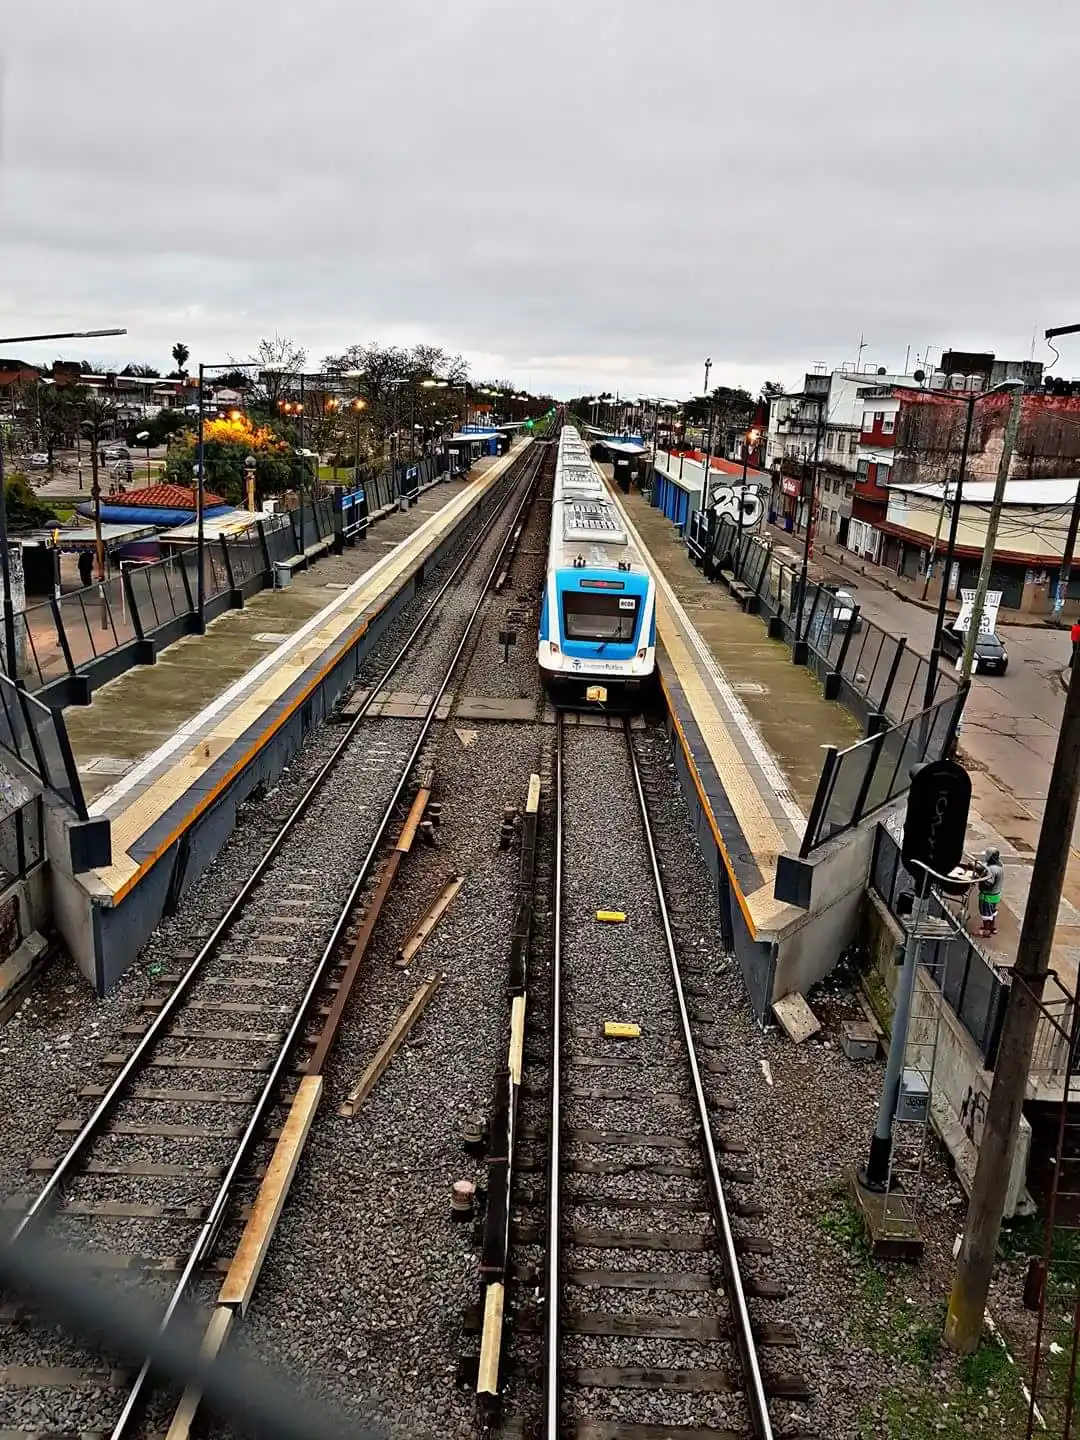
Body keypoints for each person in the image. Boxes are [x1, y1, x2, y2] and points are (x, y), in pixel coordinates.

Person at [975, 847, 1004, 938]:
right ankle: (992, 928)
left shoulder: (990, 870)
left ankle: (986, 931)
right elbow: (984, 865)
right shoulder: (1000, 865)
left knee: (986, 913)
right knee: (992, 912)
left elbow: (988, 883)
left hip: (987, 896)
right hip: (996, 895)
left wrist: (979, 878)